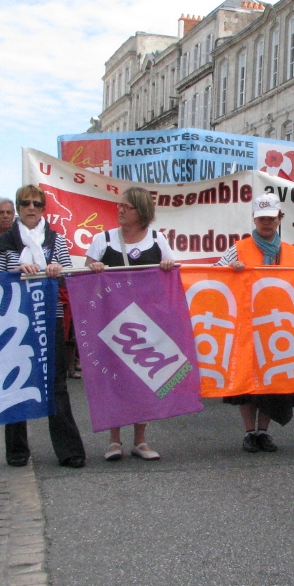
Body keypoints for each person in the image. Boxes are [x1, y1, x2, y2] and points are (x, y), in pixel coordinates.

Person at [0, 186, 86, 468]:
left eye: (37, 204)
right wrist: (17, 270)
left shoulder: (56, 240)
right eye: (25, 203)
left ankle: (69, 450)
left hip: (49, 316)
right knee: (16, 381)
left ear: (44, 208)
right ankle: (17, 449)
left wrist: (55, 270)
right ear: (19, 208)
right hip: (15, 319)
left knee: (56, 383)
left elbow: (68, 275)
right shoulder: (6, 240)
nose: (31, 208)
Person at [217, 193, 294, 454]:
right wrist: (231, 270)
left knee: (274, 382)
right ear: (254, 219)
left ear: (279, 219)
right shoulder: (237, 249)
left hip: (277, 328)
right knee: (246, 383)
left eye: (271, 219)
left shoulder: (292, 252)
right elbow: (216, 274)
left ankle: (264, 432)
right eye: (262, 218)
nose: (266, 223)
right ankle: (250, 432)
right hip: (247, 326)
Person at [86, 186, 176, 462]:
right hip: (113, 321)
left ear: (141, 211)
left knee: (144, 378)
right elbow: (85, 271)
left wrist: (168, 265)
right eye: (119, 206)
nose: (120, 210)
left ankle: (140, 440)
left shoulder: (157, 239)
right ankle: (114, 441)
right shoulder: (103, 240)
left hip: (148, 322)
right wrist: (94, 267)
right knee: (115, 379)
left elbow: (170, 272)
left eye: (126, 206)